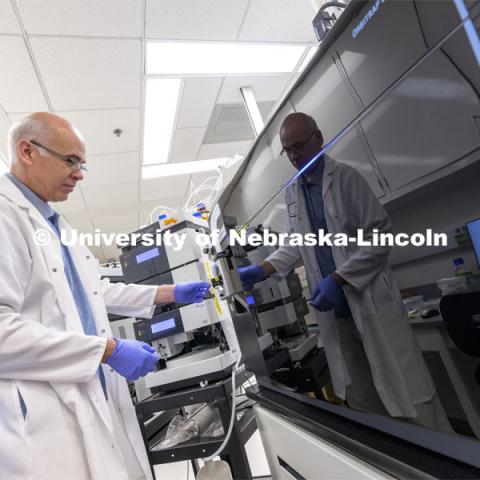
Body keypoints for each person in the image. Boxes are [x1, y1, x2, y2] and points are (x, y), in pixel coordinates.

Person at [0, 112, 211, 480]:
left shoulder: (57, 225)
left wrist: (170, 292)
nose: (79, 174)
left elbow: (97, 290)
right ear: (27, 151)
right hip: (43, 417)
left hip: (91, 392)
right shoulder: (5, 217)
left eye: (82, 164)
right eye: (70, 161)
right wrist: (106, 351)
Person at [238, 112, 452, 433]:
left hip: (369, 303)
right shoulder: (292, 194)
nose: (294, 157)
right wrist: (261, 270)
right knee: (362, 395)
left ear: (318, 138)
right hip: (336, 315)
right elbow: (296, 244)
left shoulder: (347, 179)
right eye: (288, 151)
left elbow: (379, 236)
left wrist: (339, 278)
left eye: (299, 147)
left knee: (408, 392)